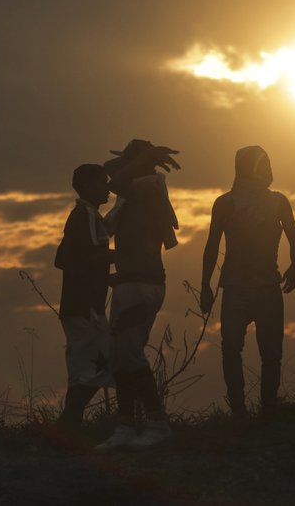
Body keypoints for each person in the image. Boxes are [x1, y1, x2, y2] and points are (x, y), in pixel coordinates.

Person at [200, 146, 295, 417]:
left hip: (268, 286)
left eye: (268, 162)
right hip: (235, 287)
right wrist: (205, 285)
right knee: (231, 348)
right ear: (246, 167)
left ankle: (268, 408)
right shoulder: (225, 203)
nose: (268, 168)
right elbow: (211, 246)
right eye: (262, 163)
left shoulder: (279, 201)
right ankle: (239, 411)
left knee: (271, 352)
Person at [96, 139, 181, 450]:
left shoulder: (146, 190)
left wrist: (143, 158)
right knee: (121, 357)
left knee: (129, 354)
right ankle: (126, 425)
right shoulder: (133, 195)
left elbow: (113, 177)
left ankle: (158, 423)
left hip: (142, 285)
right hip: (129, 283)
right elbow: (111, 171)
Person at [53, 164, 113, 431]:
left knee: (82, 369)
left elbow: (62, 258)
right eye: (103, 182)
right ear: (88, 186)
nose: (108, 187)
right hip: (86, 305)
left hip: (77, 304)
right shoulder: (87, 215)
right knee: (104, 365)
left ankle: (69, 426)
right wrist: (125, 260)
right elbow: (93, 255)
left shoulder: (80, 215)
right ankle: (67, 423)